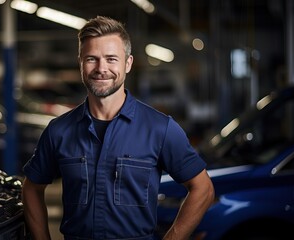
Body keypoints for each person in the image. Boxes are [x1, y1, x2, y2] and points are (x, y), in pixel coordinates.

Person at [21, 15, 214, 240]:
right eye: (92, 58)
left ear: (128, 63)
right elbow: (31, 188)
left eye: (111, 59)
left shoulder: (160, 128)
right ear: (80, 63)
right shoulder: (59, 131)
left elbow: (203, 189)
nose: (101, 68)